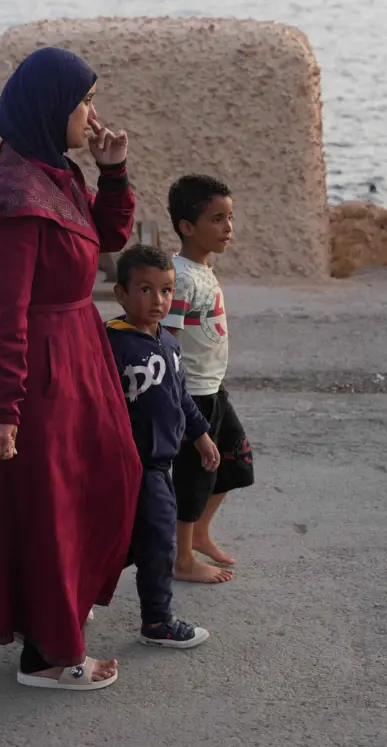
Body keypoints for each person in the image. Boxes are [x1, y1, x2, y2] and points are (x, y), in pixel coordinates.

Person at [0, 47, 142, 691]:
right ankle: (49, 655)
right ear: (52, 107)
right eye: (84, 101)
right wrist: (0, 411)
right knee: (51, 510)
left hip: (77, 356)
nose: (92, 113)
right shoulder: (15, 200)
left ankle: (57, 624)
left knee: (100, 483)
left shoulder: (53, 172)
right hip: (40, 373)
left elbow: (108, 239)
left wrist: (113, 171)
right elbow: (5, 314)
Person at [106, 244, 220, 648]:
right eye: (145, 290)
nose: (158, 300)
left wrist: (201, 434)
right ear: (120, 293)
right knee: (154, 542)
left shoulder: (168, 344)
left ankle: (74, 597)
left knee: (133, 541)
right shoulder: (109, 345)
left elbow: (180, 397)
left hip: (160, 465)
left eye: (167, 290)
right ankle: (157, 621)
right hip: (127, 466)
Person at [163, 175, 255, 584]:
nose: (228, 228)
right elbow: (167, 340)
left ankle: (200, 532)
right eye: (217, 219)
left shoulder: (201, 269)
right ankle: (182, 559)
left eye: (230, 218)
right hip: (193, 395)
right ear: (187, 227)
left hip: (214, 388)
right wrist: (177, 400)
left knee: (235, 462)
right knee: (194, 476)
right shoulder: (181, 277)